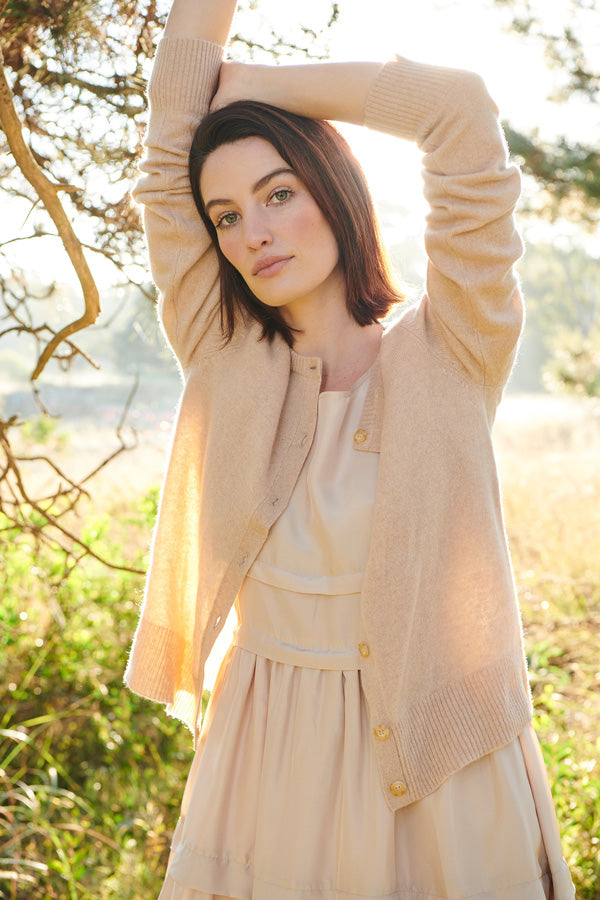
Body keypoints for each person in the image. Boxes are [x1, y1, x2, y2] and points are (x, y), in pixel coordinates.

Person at [124, 1, 576, 898]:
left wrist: (256, 87)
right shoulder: (222, 348)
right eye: (224, 215)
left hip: (442, 768)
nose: (252, 232)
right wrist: (212, 86)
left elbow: (461, 110)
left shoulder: (454, 345)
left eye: (279, 193)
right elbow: (166, 135)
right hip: (266, 768)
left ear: (335, 187)